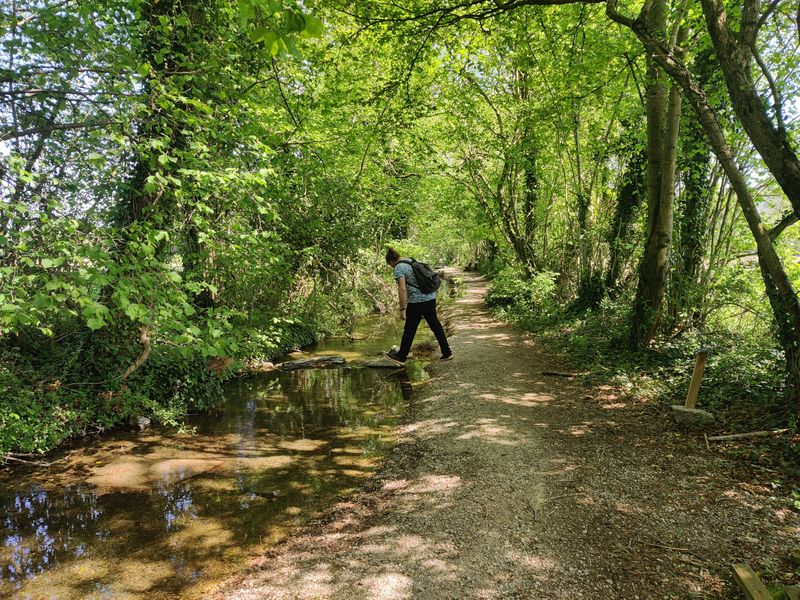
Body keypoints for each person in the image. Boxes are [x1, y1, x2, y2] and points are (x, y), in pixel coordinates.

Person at [385, 247, 452, 363]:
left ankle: (401, 356)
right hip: (430, 297)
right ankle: (447, 352)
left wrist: (402, 308)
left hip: (416, 301)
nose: (391, 267)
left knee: (409, 329)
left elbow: (402, 289)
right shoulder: (411, 260)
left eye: (390, 265)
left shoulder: (398, 268)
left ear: (391, 261)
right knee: (435, 324)